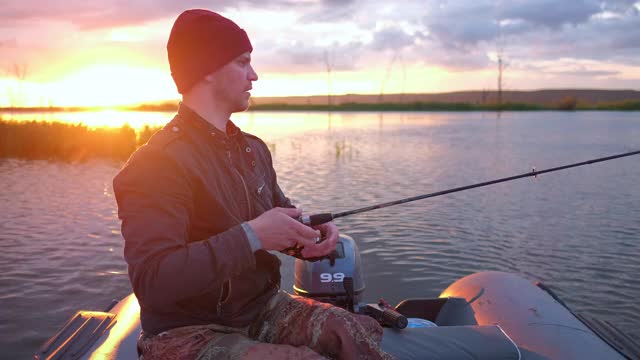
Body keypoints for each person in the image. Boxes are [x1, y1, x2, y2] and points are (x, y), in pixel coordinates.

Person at [113, 9, 394, 360]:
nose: (254, 74)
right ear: (207, 70)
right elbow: (154, 281)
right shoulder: (155, 165)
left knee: (355, 331)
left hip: (261, 309)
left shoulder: (254, 150)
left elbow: (277, 221)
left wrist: (309, 236)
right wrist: (253, 236)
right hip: (186, 331)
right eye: (243, 62)